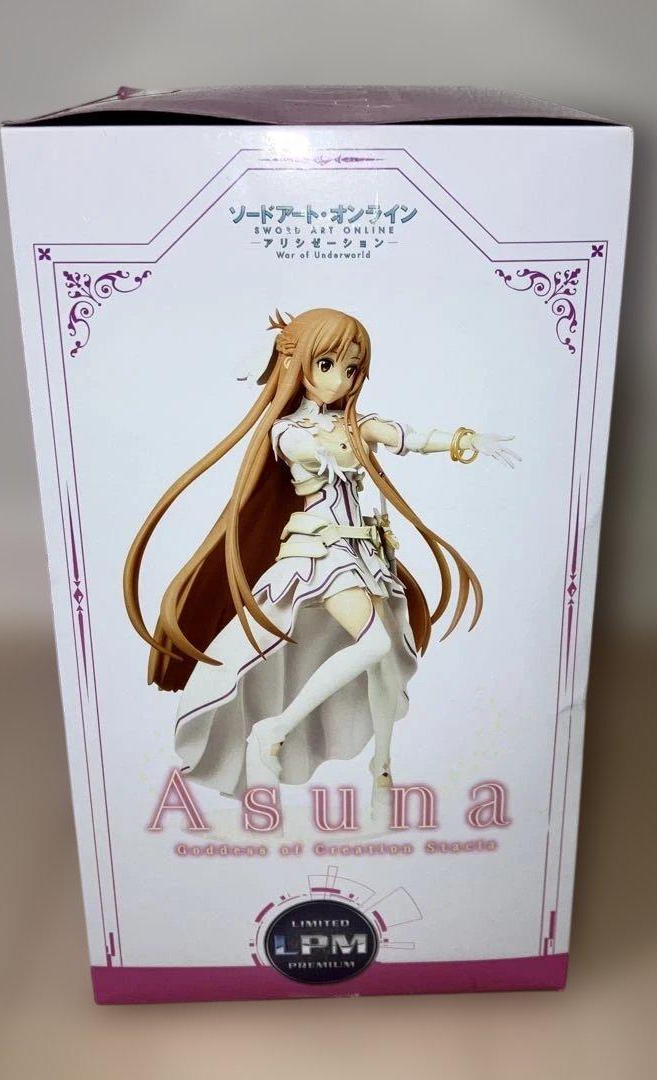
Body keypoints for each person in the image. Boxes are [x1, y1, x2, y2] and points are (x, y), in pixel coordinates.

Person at [124, 307, 518, 811]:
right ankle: (274, 729)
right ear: (297, 364)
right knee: (374, 643)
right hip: (321, 555)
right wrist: (348, 442)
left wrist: (465, 441)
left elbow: (409, 438)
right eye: (327, 364)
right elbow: (307, 449)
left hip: (366, 555)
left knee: (385, 669)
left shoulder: (355, 423)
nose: (339, 380)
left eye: (351, 368)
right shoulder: (286, 430)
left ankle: (382, 770)